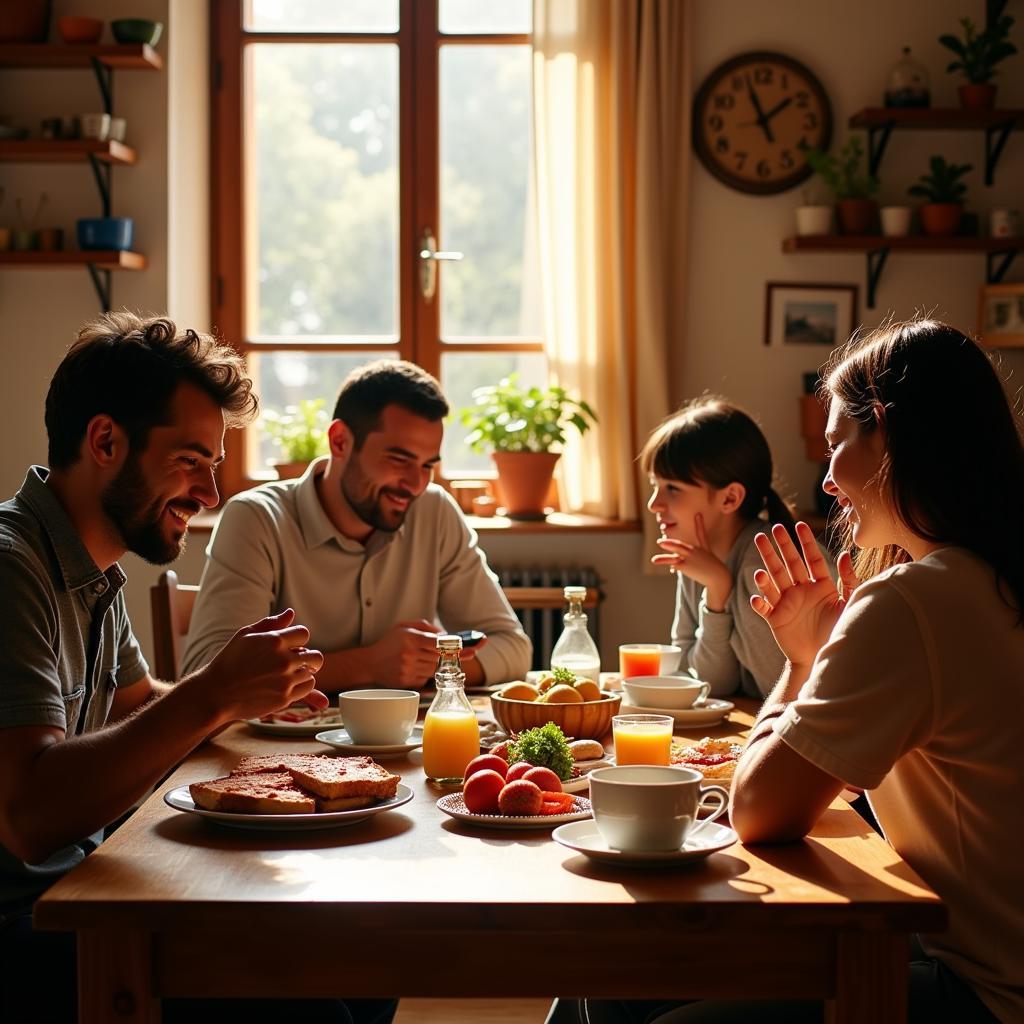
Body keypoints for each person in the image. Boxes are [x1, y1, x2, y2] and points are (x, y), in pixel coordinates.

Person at [0, 312, 393, 1024]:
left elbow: (138, 704)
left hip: (90, 886)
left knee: (364, 957)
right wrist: (213, 694)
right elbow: (27, 816)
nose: (210, 494)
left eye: (213, 467)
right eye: (190, 461)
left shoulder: (89, 570)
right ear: (106, 441)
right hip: (27, 931)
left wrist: (252, 698)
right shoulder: (10, 569)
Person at [633, 320, 1022, 1024]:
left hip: (984, 991)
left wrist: (802, 660)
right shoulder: (989, 578)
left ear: (896, 440)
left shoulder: (915, 601)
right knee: (623, 977)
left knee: (642, 991)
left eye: (839, 442)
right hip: (955, 949)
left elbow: (756, 812)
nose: (827, 476)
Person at [182, 359, 531, 691]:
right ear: (340, 442)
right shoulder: (256, 519)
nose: (415, 484)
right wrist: (369, 665)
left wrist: (427, 664)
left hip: (403, 746)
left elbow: (513, 647)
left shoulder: (434, 511)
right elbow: (208, 673)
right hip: (278, 752)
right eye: (399, 459)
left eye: (427, 465)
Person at [641, 396, 825, 698]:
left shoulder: (765, 567)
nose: (653, 504)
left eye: (672, 488)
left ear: (729, 498)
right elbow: (706, 682)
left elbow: (782, 689)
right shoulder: (697, 561)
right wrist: (716, 588)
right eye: (655, 486)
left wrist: (722, 587)